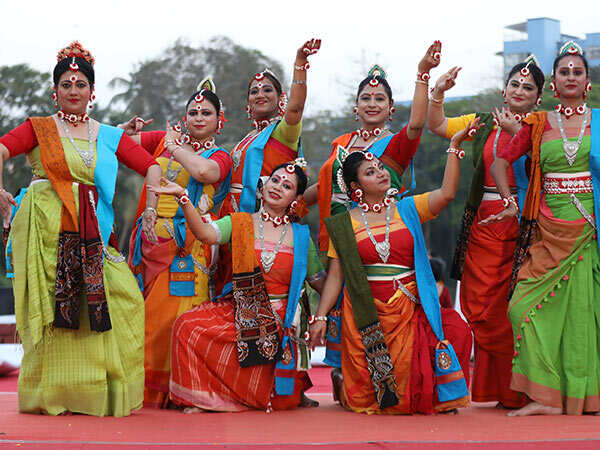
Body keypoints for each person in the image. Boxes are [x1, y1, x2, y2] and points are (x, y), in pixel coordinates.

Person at [0, 41, 161, 416]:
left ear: (92, 91)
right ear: (55, 92)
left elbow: (151, 166)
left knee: (121, 298)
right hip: (46, 232)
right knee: (58, 310)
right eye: (66, 84)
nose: (73, 91)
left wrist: (150, 210)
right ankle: (52, 395)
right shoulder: (38, 129)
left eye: (80, 84)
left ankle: (97, 392)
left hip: (92, 232)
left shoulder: (107, 135)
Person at [309, 122, 476, 414]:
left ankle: (439, 392)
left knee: (457, 331)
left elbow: (447, 193)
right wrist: (320, 316)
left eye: (381, 168)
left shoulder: (408, 208)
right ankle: (346, 381)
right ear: (356, 188)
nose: (381, 173)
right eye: (370, 172)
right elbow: (336, 275)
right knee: (369, 400)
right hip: (364, 311)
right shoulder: (344, 224)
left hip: (409, 306)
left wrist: (454, 147)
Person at [306, 41, 442, 373]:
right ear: (355, 106)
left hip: (383, 234)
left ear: (391, 107)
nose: (372, 103)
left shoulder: (395, 145)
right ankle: (348, 373)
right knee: (339, 298)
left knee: (377, 300)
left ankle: (386, 376)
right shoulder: (342, 144)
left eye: (379, 98)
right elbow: (323, 186)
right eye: (365, 98)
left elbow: (417, 125)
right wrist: (292, 203)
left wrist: (423, 74)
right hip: (340, 232)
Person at [148, 160, 325, 412]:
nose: (277, 187)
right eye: (274, 180)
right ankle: (207, 398)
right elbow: (206, 235)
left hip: (282, 320)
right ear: (263, 186)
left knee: (283, 400)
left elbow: (318, 280)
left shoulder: (300, 236)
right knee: (186, 326)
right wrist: (183, 198)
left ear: (294, 199)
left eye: (286, 186)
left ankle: (248, 395)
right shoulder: (240, 222)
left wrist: (329, 309)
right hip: (241, 308)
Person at [487, 41, 600, 416]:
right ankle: (545, 395)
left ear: (587, 81)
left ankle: (578, 396)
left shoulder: (598, 122)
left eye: (577, 72)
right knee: (521, 308)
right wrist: (509, 202)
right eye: (564, 72)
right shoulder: (537, 124)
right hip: (547, 229)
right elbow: (502, 163)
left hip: (588, 228)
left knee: (584, 313)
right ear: (552, 83)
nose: (570, 76)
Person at [427, 57, 545, 409]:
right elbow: (436, 125)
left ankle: (517, 390)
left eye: (528, 88)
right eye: (514, 84)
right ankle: (494, 389)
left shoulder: (542, 128)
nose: (519, 91)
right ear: (504, 88)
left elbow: (546, 166)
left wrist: (515, 134)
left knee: (508, 310)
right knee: (476, 306)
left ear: (538, 97)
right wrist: (438, 92)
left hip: (521, 226)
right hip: (482, 225)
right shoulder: (482, 122)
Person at [121, 79, 232, 408]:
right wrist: (125, 127)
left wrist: (175, 147)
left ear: (219, 120)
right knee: (148, 320)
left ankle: (180, 391)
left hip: (188, 247)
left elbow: (205, 173)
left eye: (206, 113)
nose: (198, 117)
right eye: (193, 112)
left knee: (179, 317)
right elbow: (114, 142)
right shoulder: (163, 140)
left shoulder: (220, 154)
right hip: (151, 241)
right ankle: (145, 392)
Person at [220, 38, 321, 216]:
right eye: (254, 91)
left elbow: (296, 107)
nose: (260, 95)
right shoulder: (250, 136)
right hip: (231, 216)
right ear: (248, 102)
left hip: (263, 217)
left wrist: (300, 64)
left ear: (280, 99)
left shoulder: (283, 132)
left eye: (267, 90)